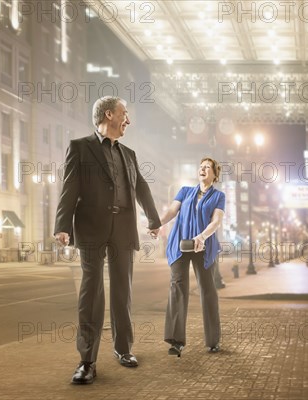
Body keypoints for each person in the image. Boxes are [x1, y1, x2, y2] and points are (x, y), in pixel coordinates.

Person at [54, 96, 161, 385]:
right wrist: (62, 226)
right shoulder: (81, 147)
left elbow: (140, 186)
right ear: (109, 114)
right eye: (125, 114)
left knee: (122, 291)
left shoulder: (129, 153)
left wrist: (153, 219)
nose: (128, 120)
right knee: (91, 292)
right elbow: (70, 187)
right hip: (90, 228)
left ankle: (123, 349)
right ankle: (87, 361)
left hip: (124, 229)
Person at [159, 157, 225, 357]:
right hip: (180, 244)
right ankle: (176, 341)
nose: (203, 169)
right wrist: (157, 223)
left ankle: (213, 340)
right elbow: (172, 211)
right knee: (177, 287)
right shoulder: (185, 191)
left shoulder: (218, 196)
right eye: (201, 167)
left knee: (207, 290)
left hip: (203, 246)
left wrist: (202, 236)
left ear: (214, 174)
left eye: (207, 167)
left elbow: (216, 221)